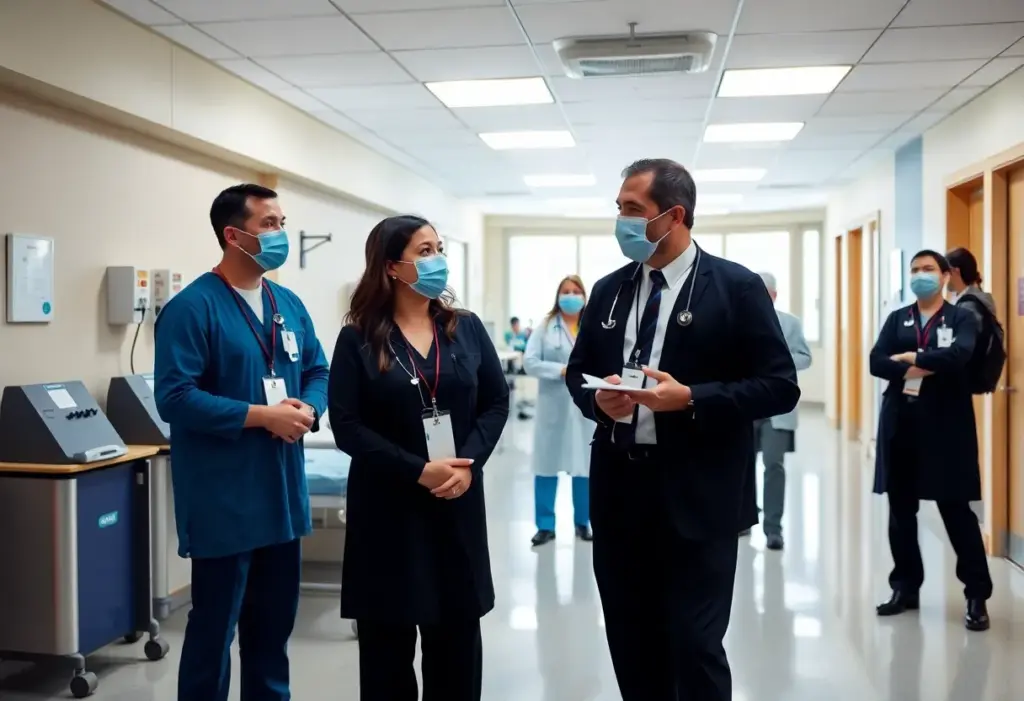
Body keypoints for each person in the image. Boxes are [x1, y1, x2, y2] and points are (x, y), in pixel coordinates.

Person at [564, 159, 800, 701]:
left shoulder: (736, 288)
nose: (621, 221)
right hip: (621, 490)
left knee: (695, 644)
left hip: (700, 492)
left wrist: (692, 398)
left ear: (674, 215)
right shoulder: (609, 290)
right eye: (618, 208)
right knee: (631, 638)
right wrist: (598, 402)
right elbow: (579, 372)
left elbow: (779, 386)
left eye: (633, 209)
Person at [155, 183, 330, 701]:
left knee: (273, 630)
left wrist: (309, 409)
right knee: (214, 631)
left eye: (282, 223)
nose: (280, 233)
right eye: (269, 224)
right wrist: (261, 416)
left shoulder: (287, 303)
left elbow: (318, 370)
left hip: (281, 497)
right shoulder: (193, 308)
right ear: (233, 235)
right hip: (224, 500)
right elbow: (175, 398)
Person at [327, 215, 510, 701]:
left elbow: (495, 402)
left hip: (455, 501)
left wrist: (468, 463)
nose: (438, 260)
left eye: (439, 249)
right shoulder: (359, 338)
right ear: (392, 266)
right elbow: (346, 425)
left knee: (457, 650)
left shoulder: (464, 329)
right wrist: (418, 470)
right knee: (386, 655)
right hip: (387, 510)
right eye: (424, 251)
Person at [869, 249, 991, 631]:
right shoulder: (897, 318)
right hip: (901, 423)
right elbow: (876, 361)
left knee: (956, 512)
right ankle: (905, 588)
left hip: (946, 426)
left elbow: (960, 355)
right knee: (900, 512)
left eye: (928, 269)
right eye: (915, 269)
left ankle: (976, 595)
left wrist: (913, 357)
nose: (920, 275)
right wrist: (920, 367)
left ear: (945, 276)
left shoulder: (961, 317)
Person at [524, 274, 595, 546]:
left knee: (584, 467)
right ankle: (545, 526)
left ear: (584, 296)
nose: (571, 296)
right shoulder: (545, 327)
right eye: (566, 291)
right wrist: (561, 370)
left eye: (576, 291)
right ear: (558, 296)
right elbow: (530, 362)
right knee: (546, 465)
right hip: (552, 407)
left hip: (584, 407)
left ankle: (583, 523)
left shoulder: (593, 325)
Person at [745, 271, 812, 551]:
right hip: (746, 405)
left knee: (774, 466)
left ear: (774, 295)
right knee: (743, 465)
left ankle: (773, 528)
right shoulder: (738, 321)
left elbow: (805, 357)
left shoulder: (790, 323)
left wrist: (777, 361)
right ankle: (744, 519)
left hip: (777, 408)